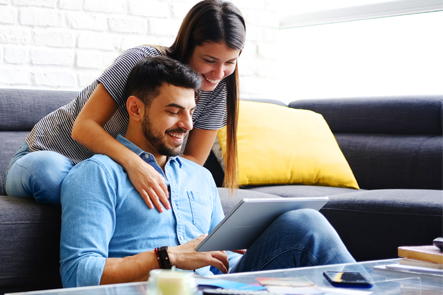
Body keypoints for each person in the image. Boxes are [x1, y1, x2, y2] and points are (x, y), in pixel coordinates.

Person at [59, 56, 355, 287]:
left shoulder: (198, 176)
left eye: (191, 111)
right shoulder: (96, 174)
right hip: (160, 288)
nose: (187, 125)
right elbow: (77, 274)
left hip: (219, 286)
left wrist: (237, 248)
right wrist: (168, 257)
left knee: (304, 222)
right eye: (174, 111)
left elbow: (219, 261)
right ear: (135, 109)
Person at [5, 0, 244, 209]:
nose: (219, 73)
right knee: (51, 175)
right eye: (209, 60)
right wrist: (135, 166)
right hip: (52, 155)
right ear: (188, 45)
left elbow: (192, 162)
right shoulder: (140, 62)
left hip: (108, 174)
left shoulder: (218, 91)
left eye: (230, 62)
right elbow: (83, 128)